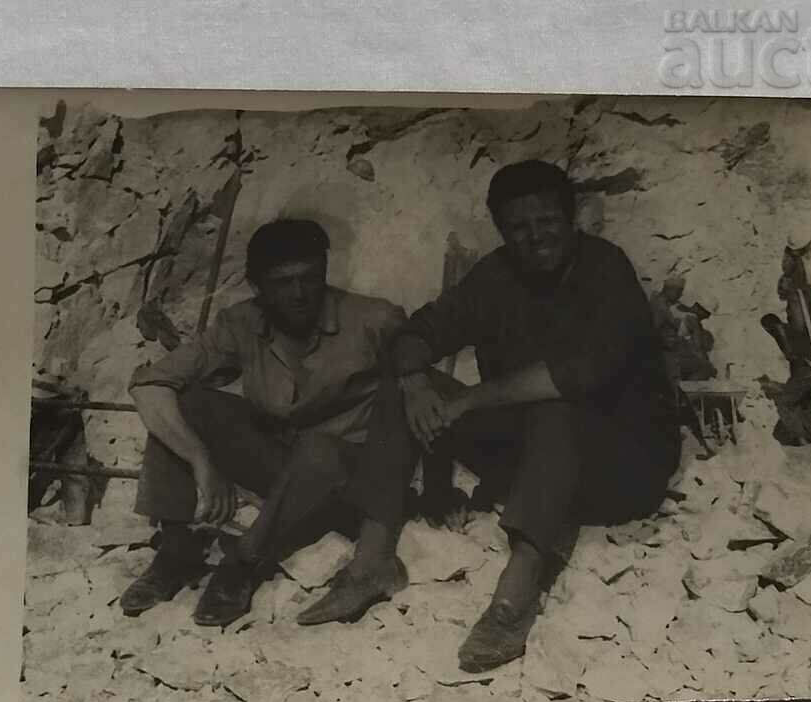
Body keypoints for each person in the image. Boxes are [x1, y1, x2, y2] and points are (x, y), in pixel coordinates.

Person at [297, 160, 682, 673]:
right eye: (518, 227)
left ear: (572, 221)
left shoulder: (605, 269)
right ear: (503, 231)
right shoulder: (496, 276)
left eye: (547, 221)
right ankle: (372, 563)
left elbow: (580, 374)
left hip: (622, 464)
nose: (534, 237)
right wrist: (414, 383)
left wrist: (468, 401)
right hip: (532, 459)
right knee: (402, 384)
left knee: (555, 406)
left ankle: (513, 600)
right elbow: (416, 334)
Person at [120, 218, 406, 626]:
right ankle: (176, 553)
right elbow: (150, 384)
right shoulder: (240, 324)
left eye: (310, 278)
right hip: (281, 468)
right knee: (188, 402)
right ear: (257, 287)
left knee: (321, 449)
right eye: (283, 283)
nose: (300, 294)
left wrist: (436, 487)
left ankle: (244, 561)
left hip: (347, 484)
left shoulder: (375, 321)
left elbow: (423, 394)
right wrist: (203, 462)